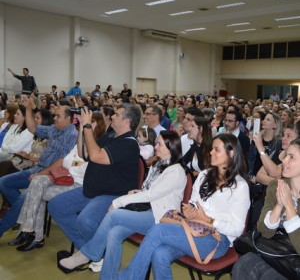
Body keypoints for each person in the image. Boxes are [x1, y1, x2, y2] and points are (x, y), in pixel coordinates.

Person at [118, 134, 250, 279]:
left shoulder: (240, 187)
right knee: (159, 254)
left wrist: (209, 220)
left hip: (216, 240)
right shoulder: (204, 175)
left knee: (158, 230)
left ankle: (129, 277)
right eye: (212, 148)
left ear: (231, 154)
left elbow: (237, 229)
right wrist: (190, 210)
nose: (211, 152)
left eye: (216, 150)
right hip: (191, 229)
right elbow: (193, 202)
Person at [59, 130, 187, 279]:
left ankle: (88, 253)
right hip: (146, 210)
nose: (155, 146)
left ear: (171, 146)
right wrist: (136, 192)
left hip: (160, 218)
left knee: (114, 215)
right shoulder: (158, 164)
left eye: (159, 143)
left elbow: (152, 195)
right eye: (156, 142)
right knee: (114, 233)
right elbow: (148, 190)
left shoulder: (176, 171)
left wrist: (119, 201)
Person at [48, 103, 142, 250]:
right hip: (94, 189)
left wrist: (88, 127)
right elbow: (83, 154)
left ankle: (95, 252)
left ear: (126, 122)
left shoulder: (129, 143)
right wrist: (82, 128)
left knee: (85, 221)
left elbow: (96, 156)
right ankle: (89, 250)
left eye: (117, 114)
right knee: (56, 206)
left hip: (112, 194)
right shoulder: (111, 136)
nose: (112, 116)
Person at [8, 112, 106, 251]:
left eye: (91, 122)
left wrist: (72, 165)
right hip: (64, 177)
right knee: (37, 182)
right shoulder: (80, 140)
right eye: (84, 122)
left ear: (99, 125)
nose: (85, 124)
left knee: (37, 192)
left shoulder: (100, 145)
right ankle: (29, 230)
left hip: (78, 184)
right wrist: (71, 165)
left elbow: (83, 170)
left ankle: (34, 235)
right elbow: (66, 161)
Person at [0, 95, 78, 239]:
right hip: (38, 168)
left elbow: (61, 161)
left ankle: (2, 227)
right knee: (4, 183)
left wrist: (41, 174)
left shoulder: (71, 134)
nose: (54, 118)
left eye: (58, 116)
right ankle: (24, 212)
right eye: (54, 115)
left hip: (50, 176)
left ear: (68, 119)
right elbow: (33, 128)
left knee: (25, 197)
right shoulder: (55, 129)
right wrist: (28, 108)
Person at [232, 138, 300, 280]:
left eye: (292, 157)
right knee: (242, 265)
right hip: (278, 250)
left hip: (295, 259)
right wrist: (279, 205)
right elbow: (264, 231)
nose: (284, 161)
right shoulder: (277, 185)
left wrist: (289, 206)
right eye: (286, 155)